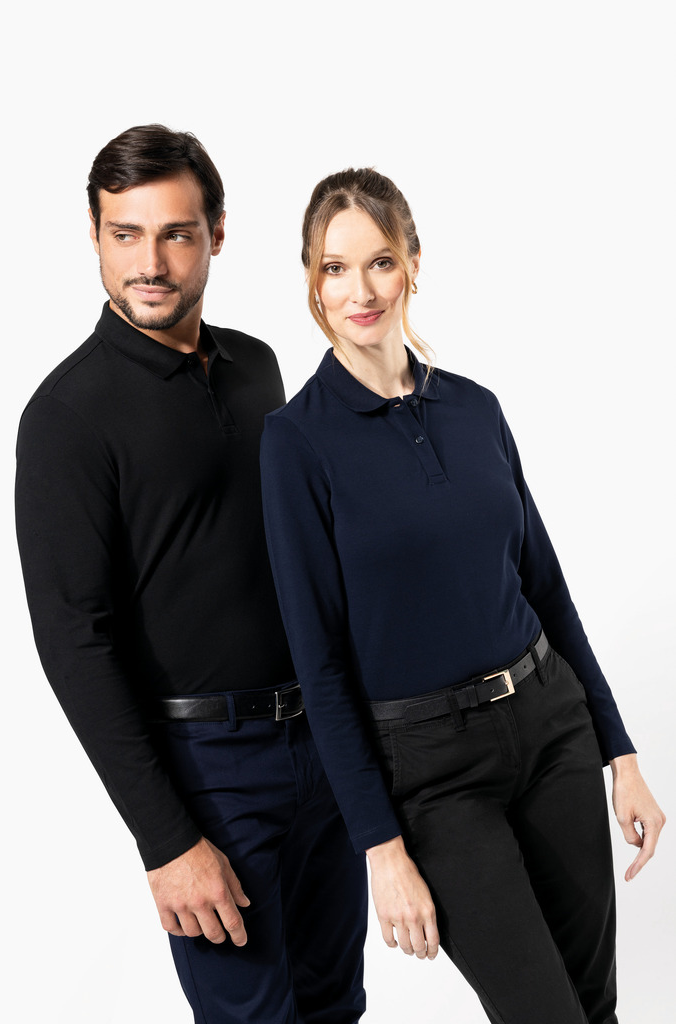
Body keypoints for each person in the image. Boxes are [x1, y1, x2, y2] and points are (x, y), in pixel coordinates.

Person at [260, 167, 666, 1024]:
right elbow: (320, 666)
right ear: (312, 281)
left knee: (594, 1008)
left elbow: (545, 587)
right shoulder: (296, 443)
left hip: (551, 728)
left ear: (413, 262)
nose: (360, 291)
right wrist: (381, 848)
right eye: (335, 268)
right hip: (432, 775)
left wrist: (619, 753)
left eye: (380, 261)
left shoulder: (476, 409)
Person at [15, 127, 366, 1024]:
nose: (150, 263)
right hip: (210, 774)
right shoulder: (66, 416)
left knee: (336, 1006)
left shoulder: (258, 367)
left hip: (321, 743)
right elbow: (73, 642)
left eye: (175, 233)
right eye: (125, 234)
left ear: (216, 233)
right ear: (94, 237)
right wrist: (167, 840)